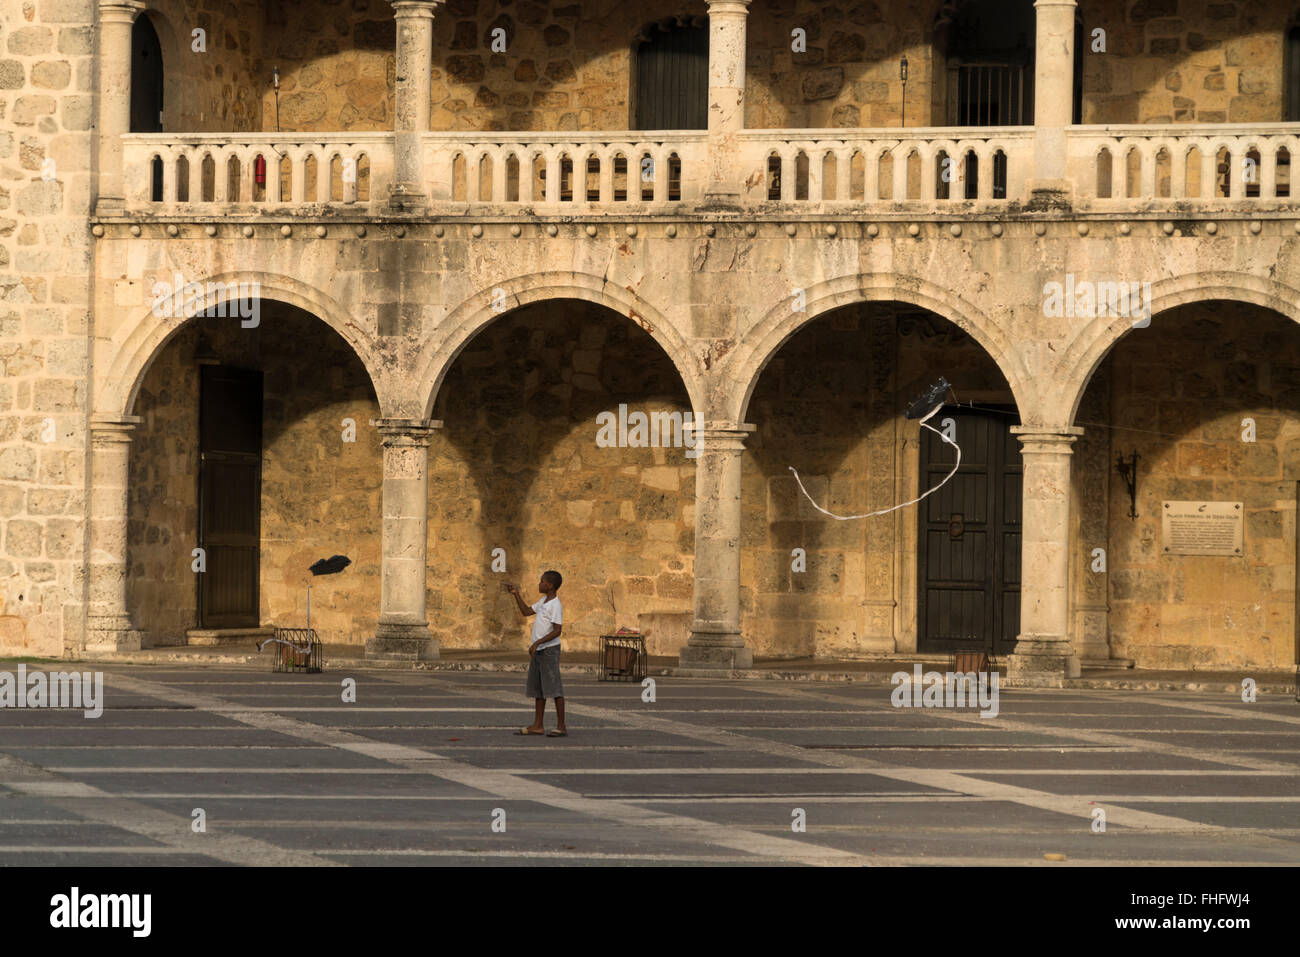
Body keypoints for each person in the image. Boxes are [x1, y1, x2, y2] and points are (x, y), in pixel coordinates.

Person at [506, 570, 566, 737]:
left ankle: (561, 726)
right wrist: (515, 594)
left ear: (550, 585)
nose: (539, 584)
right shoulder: (544, 602)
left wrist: (537, 642)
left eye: (542, 582)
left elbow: (557, 631)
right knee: (538, 689)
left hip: (549, 651)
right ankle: (538, 725)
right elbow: (526, 611)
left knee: (554, 688)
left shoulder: (555, 605)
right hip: (538, 651)